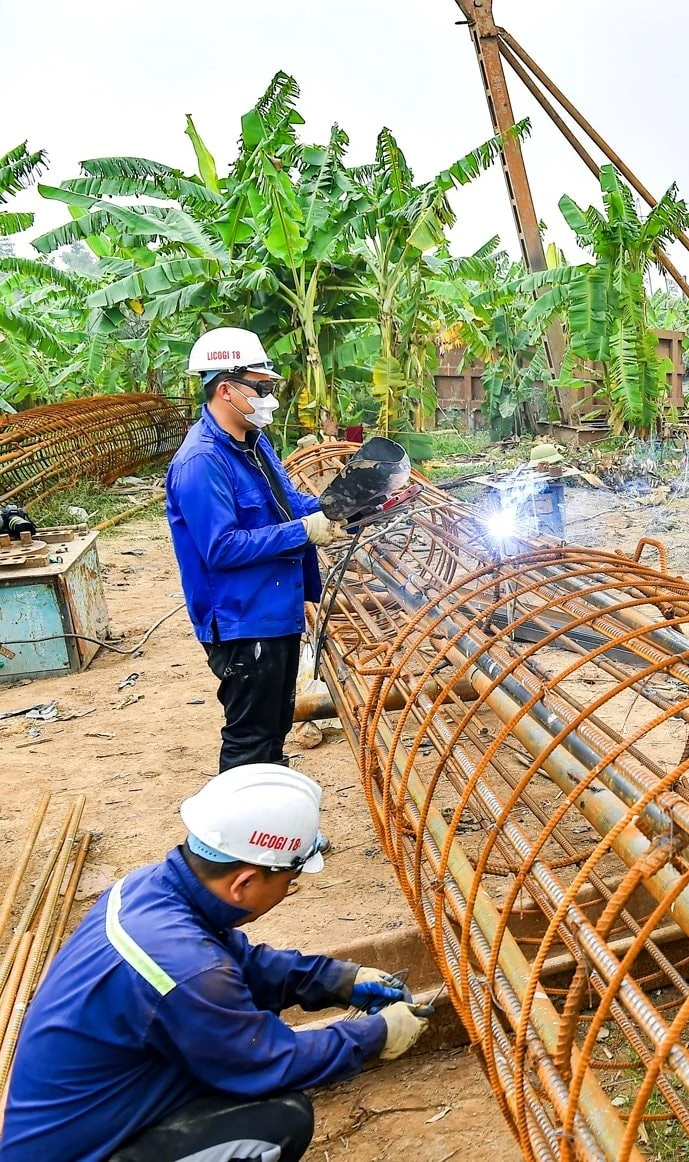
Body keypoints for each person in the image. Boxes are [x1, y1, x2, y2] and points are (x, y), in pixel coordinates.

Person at [0, 764, 431, 1162]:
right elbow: (267, 1062)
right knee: (278, 1121)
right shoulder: (184, 966)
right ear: (244, 881)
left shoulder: (146, 891)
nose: (288, 890)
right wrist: (374, 1035)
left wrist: (338, 979)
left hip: (94, 1116)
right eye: (289, 880)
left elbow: (235, 962)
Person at [166, 328, 343, 772]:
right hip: (242, 621)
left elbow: (288, 504)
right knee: (250, 738)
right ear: (226, 389)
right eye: (260, 388)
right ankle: (236, 836)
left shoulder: (255, 442)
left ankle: (273, 828)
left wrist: (336, 508)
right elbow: (220, 548)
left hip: (275, 608)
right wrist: (304, 531)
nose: (269, 397)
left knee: (275, 727)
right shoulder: (202, 461)